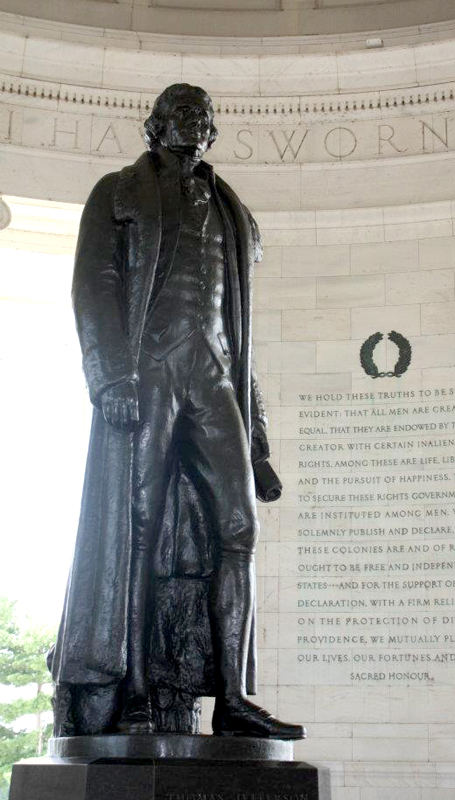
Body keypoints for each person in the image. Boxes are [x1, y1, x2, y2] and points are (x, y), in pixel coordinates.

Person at [49, 83, 305, 741]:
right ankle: (133, 690)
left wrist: (261, 442)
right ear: (154, 125)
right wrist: (110, 380)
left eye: (205, 117)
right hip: (148, 371)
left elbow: (241, 335)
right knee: (136, 522)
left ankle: (235, 698)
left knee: (241, 526)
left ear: (214, 133)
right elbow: (93, 290)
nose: (196, 124)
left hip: (213, 375)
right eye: (182, 114)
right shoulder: (118, 193)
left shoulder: (231, 210)